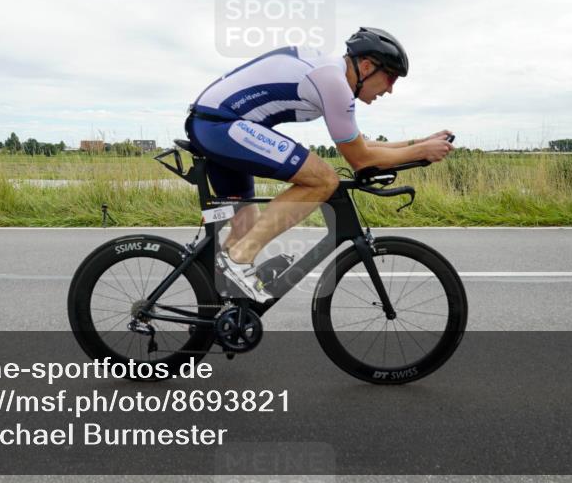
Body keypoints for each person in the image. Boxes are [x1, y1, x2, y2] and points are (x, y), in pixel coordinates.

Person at [184, 27, 454, 302]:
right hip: (220, 125)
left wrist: (419, 144)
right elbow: (360, 159)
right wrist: (421, 150)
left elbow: (361, 146)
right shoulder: (332, 81)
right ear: (367, 66)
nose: (390, 89)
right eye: (391, 77)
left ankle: (221, 306)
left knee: (246, 227)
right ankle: (238, 262)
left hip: (221, 125)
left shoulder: (333, 75)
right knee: (323, 180)